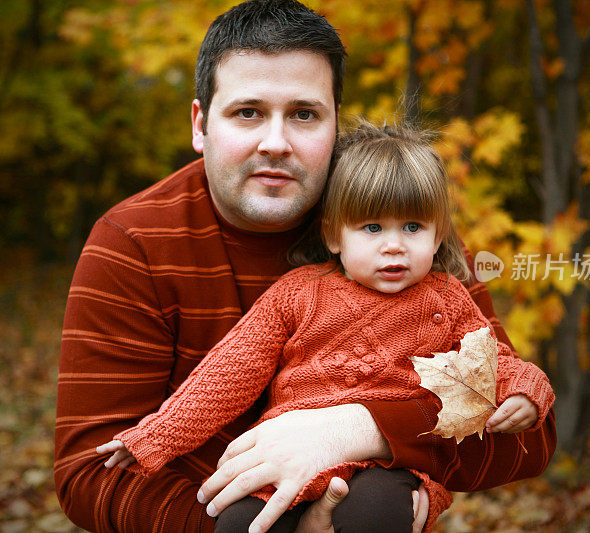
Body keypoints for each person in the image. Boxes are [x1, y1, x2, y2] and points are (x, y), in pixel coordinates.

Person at [54, 1, 557, 532]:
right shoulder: (133, 242)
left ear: (335, 123)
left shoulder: (394, 225)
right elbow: (89, 473)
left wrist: (358, 429)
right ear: (201, 125)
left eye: (304, 114)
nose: (276, 143)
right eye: (247, 112)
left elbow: (526, 437)